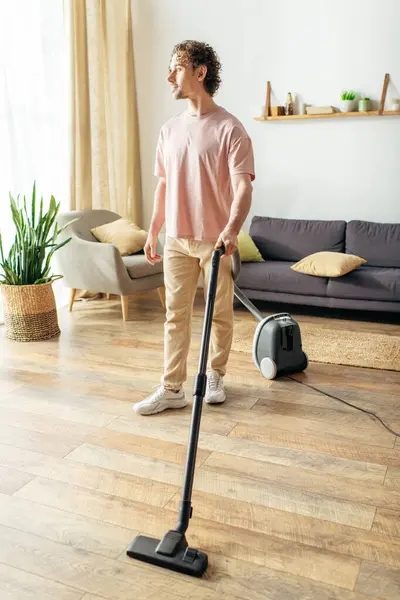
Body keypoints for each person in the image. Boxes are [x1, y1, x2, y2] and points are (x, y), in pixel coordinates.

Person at [134, 40, 255, 416]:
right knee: (175, 313)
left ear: (200, 72)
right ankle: (172, 388)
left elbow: (243, 187)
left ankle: (214, 375)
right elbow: (164, 186)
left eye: (177, 68)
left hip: (216, 242)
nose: (169, 76)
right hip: (176, 241)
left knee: (219, 313)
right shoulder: (169, 130)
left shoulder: (230, 129)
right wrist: (153, 231)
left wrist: (233, 228)